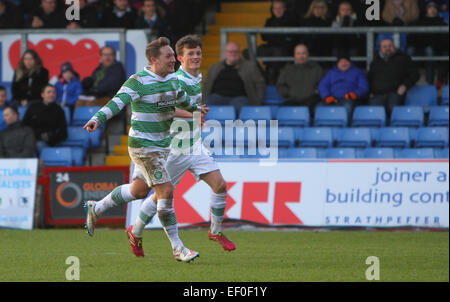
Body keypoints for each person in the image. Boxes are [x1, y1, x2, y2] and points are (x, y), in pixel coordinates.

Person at [83, 37, 207, 262]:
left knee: (139, 191)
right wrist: (97, 118)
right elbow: (116, 102)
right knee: (166, 191)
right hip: (142, 145)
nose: (173, 61)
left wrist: (197, 109)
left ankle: (97, 208)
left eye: (172, 56)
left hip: (162, 145)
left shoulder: (172, 80)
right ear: (154, 60)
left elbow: (183, 100)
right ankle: (178, 248)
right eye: (169, 57)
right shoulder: (137, 81)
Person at [132, 34, 235, 252]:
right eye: (190, 54)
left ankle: (215, 232)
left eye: (198, 53)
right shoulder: (176, 80)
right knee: (159, 196)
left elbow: (191, 106)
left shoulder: (197, 77)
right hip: (174, 148)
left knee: (220, 185)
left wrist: (198, 115)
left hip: (195, 145)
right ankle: (136, 230)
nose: (196, 57)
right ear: (180, 58)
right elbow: (164, 109)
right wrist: (193, 114)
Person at [203, 42, 266, 114]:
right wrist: (203, 100)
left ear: (239, 53)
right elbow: (206, 85)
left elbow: (260, 84)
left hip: (239, 98)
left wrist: (257, 101)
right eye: (230, 52)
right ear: (225, 53)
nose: (233, 54)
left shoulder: (250, 67)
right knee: (206, 106)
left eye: (235, 51)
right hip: (217, 97)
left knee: (241, 109)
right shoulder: (214, 67)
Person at [368, 38, 420, 116]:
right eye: (384, 47)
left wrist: (405, 86)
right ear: (380, 48)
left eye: (390, 46)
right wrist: (370, 91)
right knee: (373, 113)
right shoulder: (375, 61)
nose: (387, 48)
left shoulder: (403, 58)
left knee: (394, 111)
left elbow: (415, 74)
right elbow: (370, 78)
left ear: (394, 47)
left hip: (394, 93)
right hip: (377, 94)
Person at [253, 0, 297, 85]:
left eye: (280, 8)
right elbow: (263, 37)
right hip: (270, 49)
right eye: (275, 8)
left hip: (284, 51)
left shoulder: (291, 21)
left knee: (277, 53)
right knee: (248, 52)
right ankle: (263, 74)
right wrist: (279, 37)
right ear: (272, 10)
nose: (277, 10)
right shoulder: (269, 21)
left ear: (284, 9)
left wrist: (274, 37)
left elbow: (291, 39)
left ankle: (271, 78)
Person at [407, 1, 449, 87]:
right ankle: (408, 78)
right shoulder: (420, 21)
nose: (432, 10)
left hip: (436, 49)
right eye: (430, 8)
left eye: (434, 8)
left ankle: (430, 82)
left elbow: (444, 40)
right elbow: (413, 37)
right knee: (410, 50)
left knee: (429, 50)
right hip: (420, 47)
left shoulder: (441, 22)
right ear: (427, 10)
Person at [276, 44, 324, 113]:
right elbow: (280, 86)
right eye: (298, 53)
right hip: (292, 100)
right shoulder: (287, 69)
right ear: (294, 55)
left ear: (308, 54)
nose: (301, 56)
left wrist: (314, 92)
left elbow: (322, 85)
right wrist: (289, 92)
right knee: (281, 113)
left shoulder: (316, 69)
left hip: (311, 103)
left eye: (303, 53)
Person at [22, 84, 68, 154]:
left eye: (54, 92)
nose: (52, 94)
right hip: (32, 139)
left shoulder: (59, 110)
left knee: (40, 145)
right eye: (49, 92)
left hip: (50, 142)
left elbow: (64, 133)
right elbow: (24, 126)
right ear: (42, 95)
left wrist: (50, 137)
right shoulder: (33, 108)